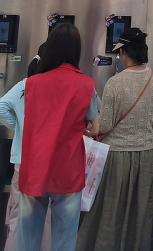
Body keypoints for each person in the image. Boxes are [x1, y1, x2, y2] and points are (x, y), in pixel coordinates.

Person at [76, 28, 153, 251]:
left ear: (123, 51)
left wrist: (88, 124)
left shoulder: (115, 83)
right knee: (139, 211)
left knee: (110, 210)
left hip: (116, 156)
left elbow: (104, 125)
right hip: (146, 154)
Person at [17, 23, 98, 251]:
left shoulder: (32, 83)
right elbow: (95, 127)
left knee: (27, 242)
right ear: (76, 50)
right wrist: (81, 127)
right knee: (64, 242)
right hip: (68, 171)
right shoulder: (86, 84)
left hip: (34, 169)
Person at [0, 47, 51, 251]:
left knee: (17, 218)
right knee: (47, 221)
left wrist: (17, 126)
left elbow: (1, 106)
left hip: (23, 163)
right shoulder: (57, 86)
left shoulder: (25, 84)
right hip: (48, 164)